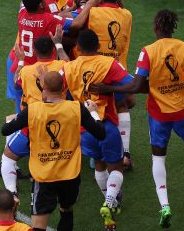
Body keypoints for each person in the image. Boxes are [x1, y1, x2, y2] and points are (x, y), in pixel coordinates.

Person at [90, 9, 184, 228]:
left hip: (159, 113)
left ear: (155, 27)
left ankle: (165, 206)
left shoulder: (148, 52)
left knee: (159, 158)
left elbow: (135, 85)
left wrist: (108, 88)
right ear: (173, 27)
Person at [2, 71, 106, 231]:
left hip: (43, 175)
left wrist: (21, 117)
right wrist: (93, 112)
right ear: (64, 88)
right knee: (66, 211)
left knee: (38, 225)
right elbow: (100, 133)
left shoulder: (32, 110)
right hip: (70, 174)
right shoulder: (76, 108)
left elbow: (5, 130)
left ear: (43, 88)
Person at [61, 29, 134, 230]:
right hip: (106, 125)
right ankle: (109, 202)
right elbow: (132, 85)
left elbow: (54, 87)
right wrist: (111, 89)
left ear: (77, 48)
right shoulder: (109, 63)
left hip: (84, 128)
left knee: (99, 164)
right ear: (98, 47)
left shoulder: (69, 67)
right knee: (116, 168)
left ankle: (111, 209)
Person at [0, 34, 68, 203]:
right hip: (60, 121)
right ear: (52, 50)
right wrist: (59, 43)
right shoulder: (62, 66)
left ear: (35, 52)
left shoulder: (27, 71)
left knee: (8, 157)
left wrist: (21, 60)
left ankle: (12, 193)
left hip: (33, 122)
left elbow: (16, 83)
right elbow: (69, 62)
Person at [88, 0, 134, 169]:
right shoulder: (127, 15)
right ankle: (125, 154)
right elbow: (119, 8)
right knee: (122, 106)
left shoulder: (93, 12)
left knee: (95, 109)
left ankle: (97, 154)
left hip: (96, 70)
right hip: (118, 70)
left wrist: (93, 1)